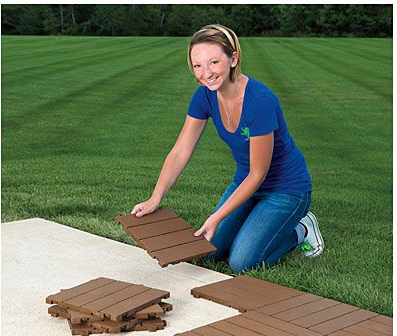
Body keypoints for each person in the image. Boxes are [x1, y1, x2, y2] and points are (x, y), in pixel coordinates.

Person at [131, 24, 324, 273]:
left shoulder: (260, 101)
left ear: (233, 58)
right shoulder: (204, 97)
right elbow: (180, 151)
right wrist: (155, 198)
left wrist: (217, 217)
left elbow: (258, 174)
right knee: (209, 254)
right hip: (245, 183)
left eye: (213, 62)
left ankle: (302, 228)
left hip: (285, 190)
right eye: (197, 65)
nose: (205, 73)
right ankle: (256, 220)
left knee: (242, 262)